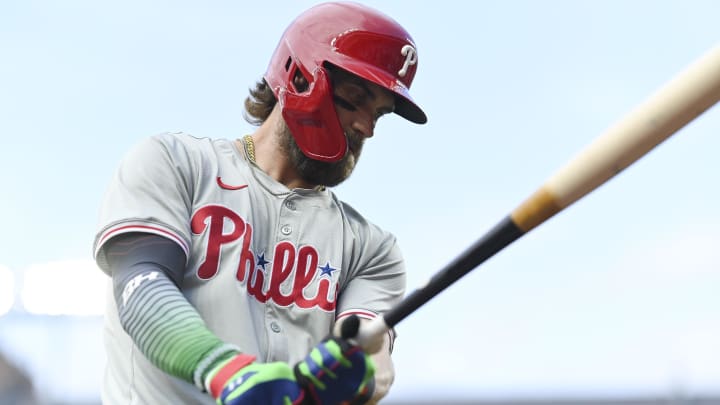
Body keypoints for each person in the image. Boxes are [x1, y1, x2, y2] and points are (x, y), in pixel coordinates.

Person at [93, 2, 427, 404]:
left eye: (379, 114)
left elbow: (370, 355)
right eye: (354, 99)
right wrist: (223, 370)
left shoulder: (373, 250)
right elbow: (140, 289)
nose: (367, 128)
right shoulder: (174, 164)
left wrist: (357, 377)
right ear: (299, 76)